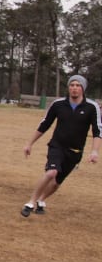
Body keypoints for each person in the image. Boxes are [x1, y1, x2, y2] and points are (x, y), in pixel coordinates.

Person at [20, 74, 101, 217]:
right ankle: (30, 203)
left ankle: (41, 200)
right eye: (72, 85)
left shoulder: (91, 107)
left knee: (56, 182)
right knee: (51, 172)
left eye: (78, 85)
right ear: (68, 87)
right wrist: (29, 143)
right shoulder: (58, 104)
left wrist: (94, 151)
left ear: (83, 88)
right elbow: (44, 124)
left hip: (75, 152)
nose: (74, 88)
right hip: (57, 146)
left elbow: (97, 130)